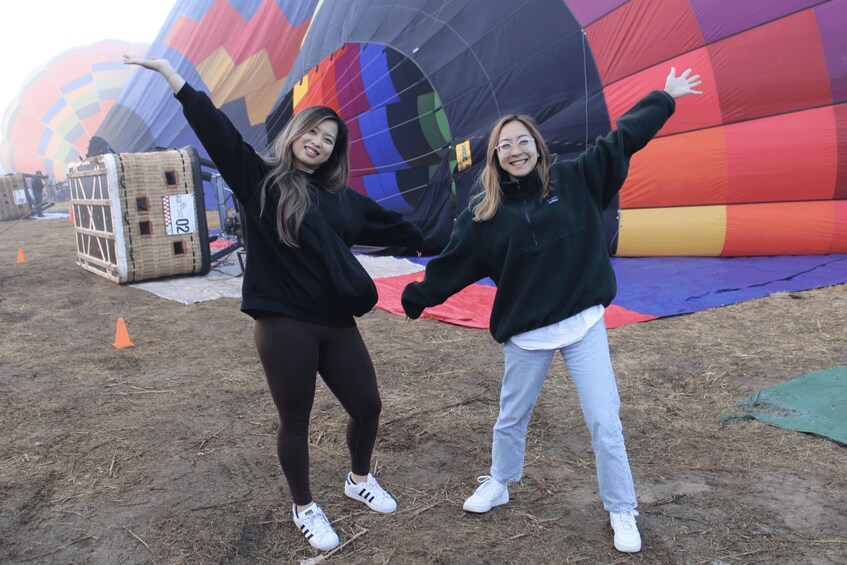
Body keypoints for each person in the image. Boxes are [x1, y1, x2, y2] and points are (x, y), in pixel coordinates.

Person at [124, 55, 424, 552]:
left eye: (329, 140)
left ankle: (358, 478)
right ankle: (304, 505)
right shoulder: (260, 180)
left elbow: (399, 227)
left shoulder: (343, 200)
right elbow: (217, 131)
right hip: (284, 322)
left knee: (368, 405)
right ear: (295, 133)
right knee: (297, 420)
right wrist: (175, 79)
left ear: (334, 152)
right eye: (313, 132)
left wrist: (465, 233)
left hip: (335, 320)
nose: (319, 143)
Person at [402, 68, 702, 553]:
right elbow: (451, 267)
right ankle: (499, 482)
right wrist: (415, 297)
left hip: (582, 324)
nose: (515, 150)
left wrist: (664, 98)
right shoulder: (484, 214)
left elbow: (622, 139)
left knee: (605, 421)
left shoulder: (576, 179)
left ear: (538, 147)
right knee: (510, 418)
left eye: (523, 141)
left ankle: (621, 509)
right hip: (528, 334)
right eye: (505, 146)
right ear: (495, 157)